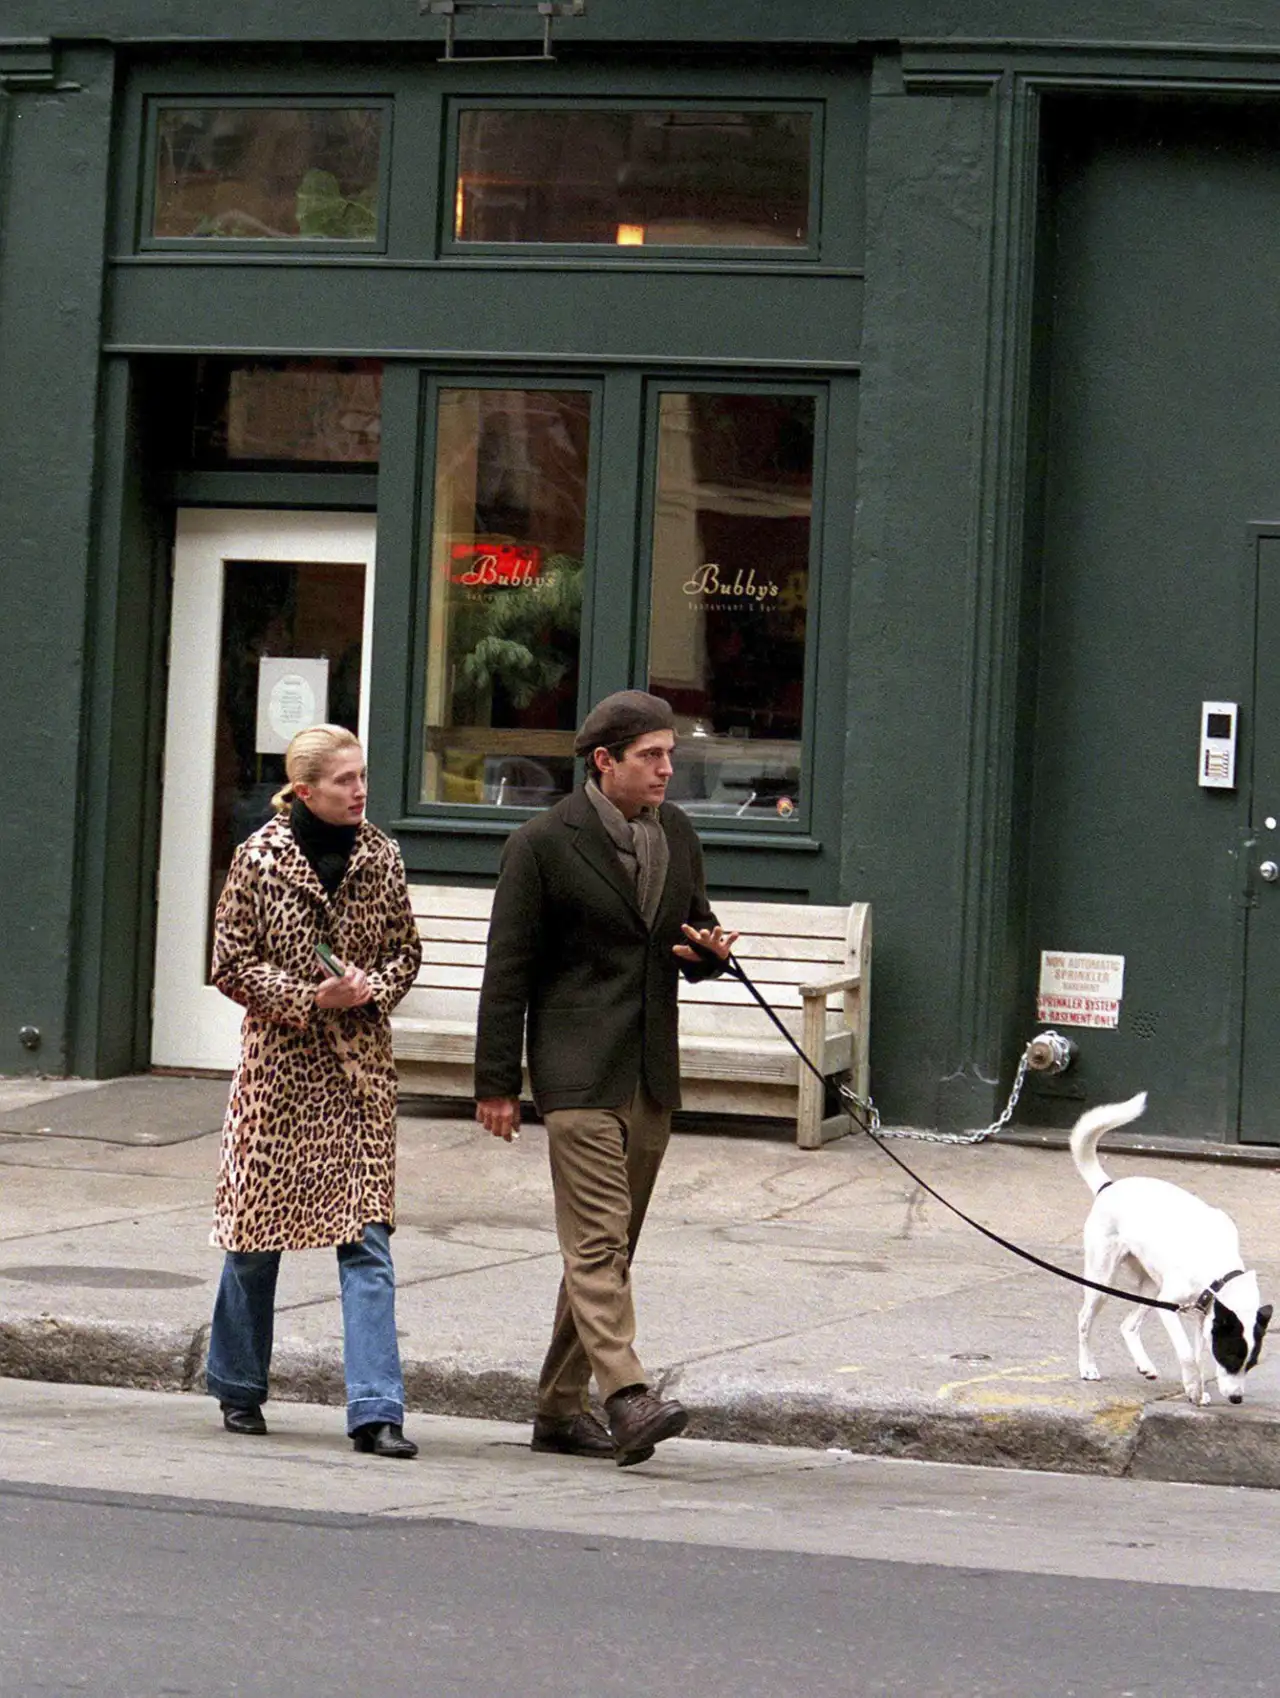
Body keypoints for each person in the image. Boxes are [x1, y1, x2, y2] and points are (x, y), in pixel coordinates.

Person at [474, 690, 738, 1466]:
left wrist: (712, 956)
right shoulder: (541, 844)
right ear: (604, 762)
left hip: (650, 1071)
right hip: (576, 1071)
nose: (666, 769)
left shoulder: (677, 834)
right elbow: (507, 972)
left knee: (610, 1251)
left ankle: (558, 1409)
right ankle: (627, 1395)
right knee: (596, 1243)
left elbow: (690, 929)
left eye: (670, 756)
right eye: (651, 756)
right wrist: (497, 1082)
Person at [205, 723, 423, 1458]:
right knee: (255, 1237)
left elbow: (405, 950)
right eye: (344, 780)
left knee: (367, 1238)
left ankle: (376, 1409)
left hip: (360, 1072)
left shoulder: (382, 855)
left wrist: (370, 988)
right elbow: (229, 962)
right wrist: (307, 997)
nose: (360, 790)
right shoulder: (258, 859)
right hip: (279, 1074)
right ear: (304, 790)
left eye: (363, 776)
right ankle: (237, 1384)